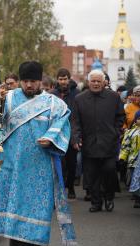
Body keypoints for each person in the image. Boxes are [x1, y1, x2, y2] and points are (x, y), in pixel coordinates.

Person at [0, 61, 76, 246]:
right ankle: (16, 245)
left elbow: (63, 121)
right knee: (15, 201)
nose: (29, 85)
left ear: (40, 81)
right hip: (13, 162)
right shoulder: (7, 98)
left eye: (33, 81)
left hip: (40, 164)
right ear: (20, 81)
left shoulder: (53, 103)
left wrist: (51, 137)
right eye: (25, 81)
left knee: (37, 204)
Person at [72, 69, 125, 213]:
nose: (95, 83)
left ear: (103, 82)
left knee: (109, 170)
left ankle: (109, 197)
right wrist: (76, 138)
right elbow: (75, 122)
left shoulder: (114, 97)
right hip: (89, 143)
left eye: (98, 81)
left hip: (109, 142)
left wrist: (116, 131)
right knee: (92, 174)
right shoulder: (80, 99)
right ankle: (96, 202)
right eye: (93, 81)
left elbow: (121, 117)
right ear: (89, 82)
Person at [51, 68, 80, 199]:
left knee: (72, 163)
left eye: (65, 78)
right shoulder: (52, 94)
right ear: (57, 80)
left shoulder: (76, 94)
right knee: (60, 163)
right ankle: (61, 189)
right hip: (57, 133)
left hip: (72, 133)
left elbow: (77, 116)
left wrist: (77, 137)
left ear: (69, 79)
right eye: (60, 79)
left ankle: (71, 187)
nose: (63, 81)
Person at [119, 110, 140, 208]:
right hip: (133, 161)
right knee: (134, 178)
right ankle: (137, 198)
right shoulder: (131, 132)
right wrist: (122, 157)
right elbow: (125, 146)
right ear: (135, 120)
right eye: (139, 119)